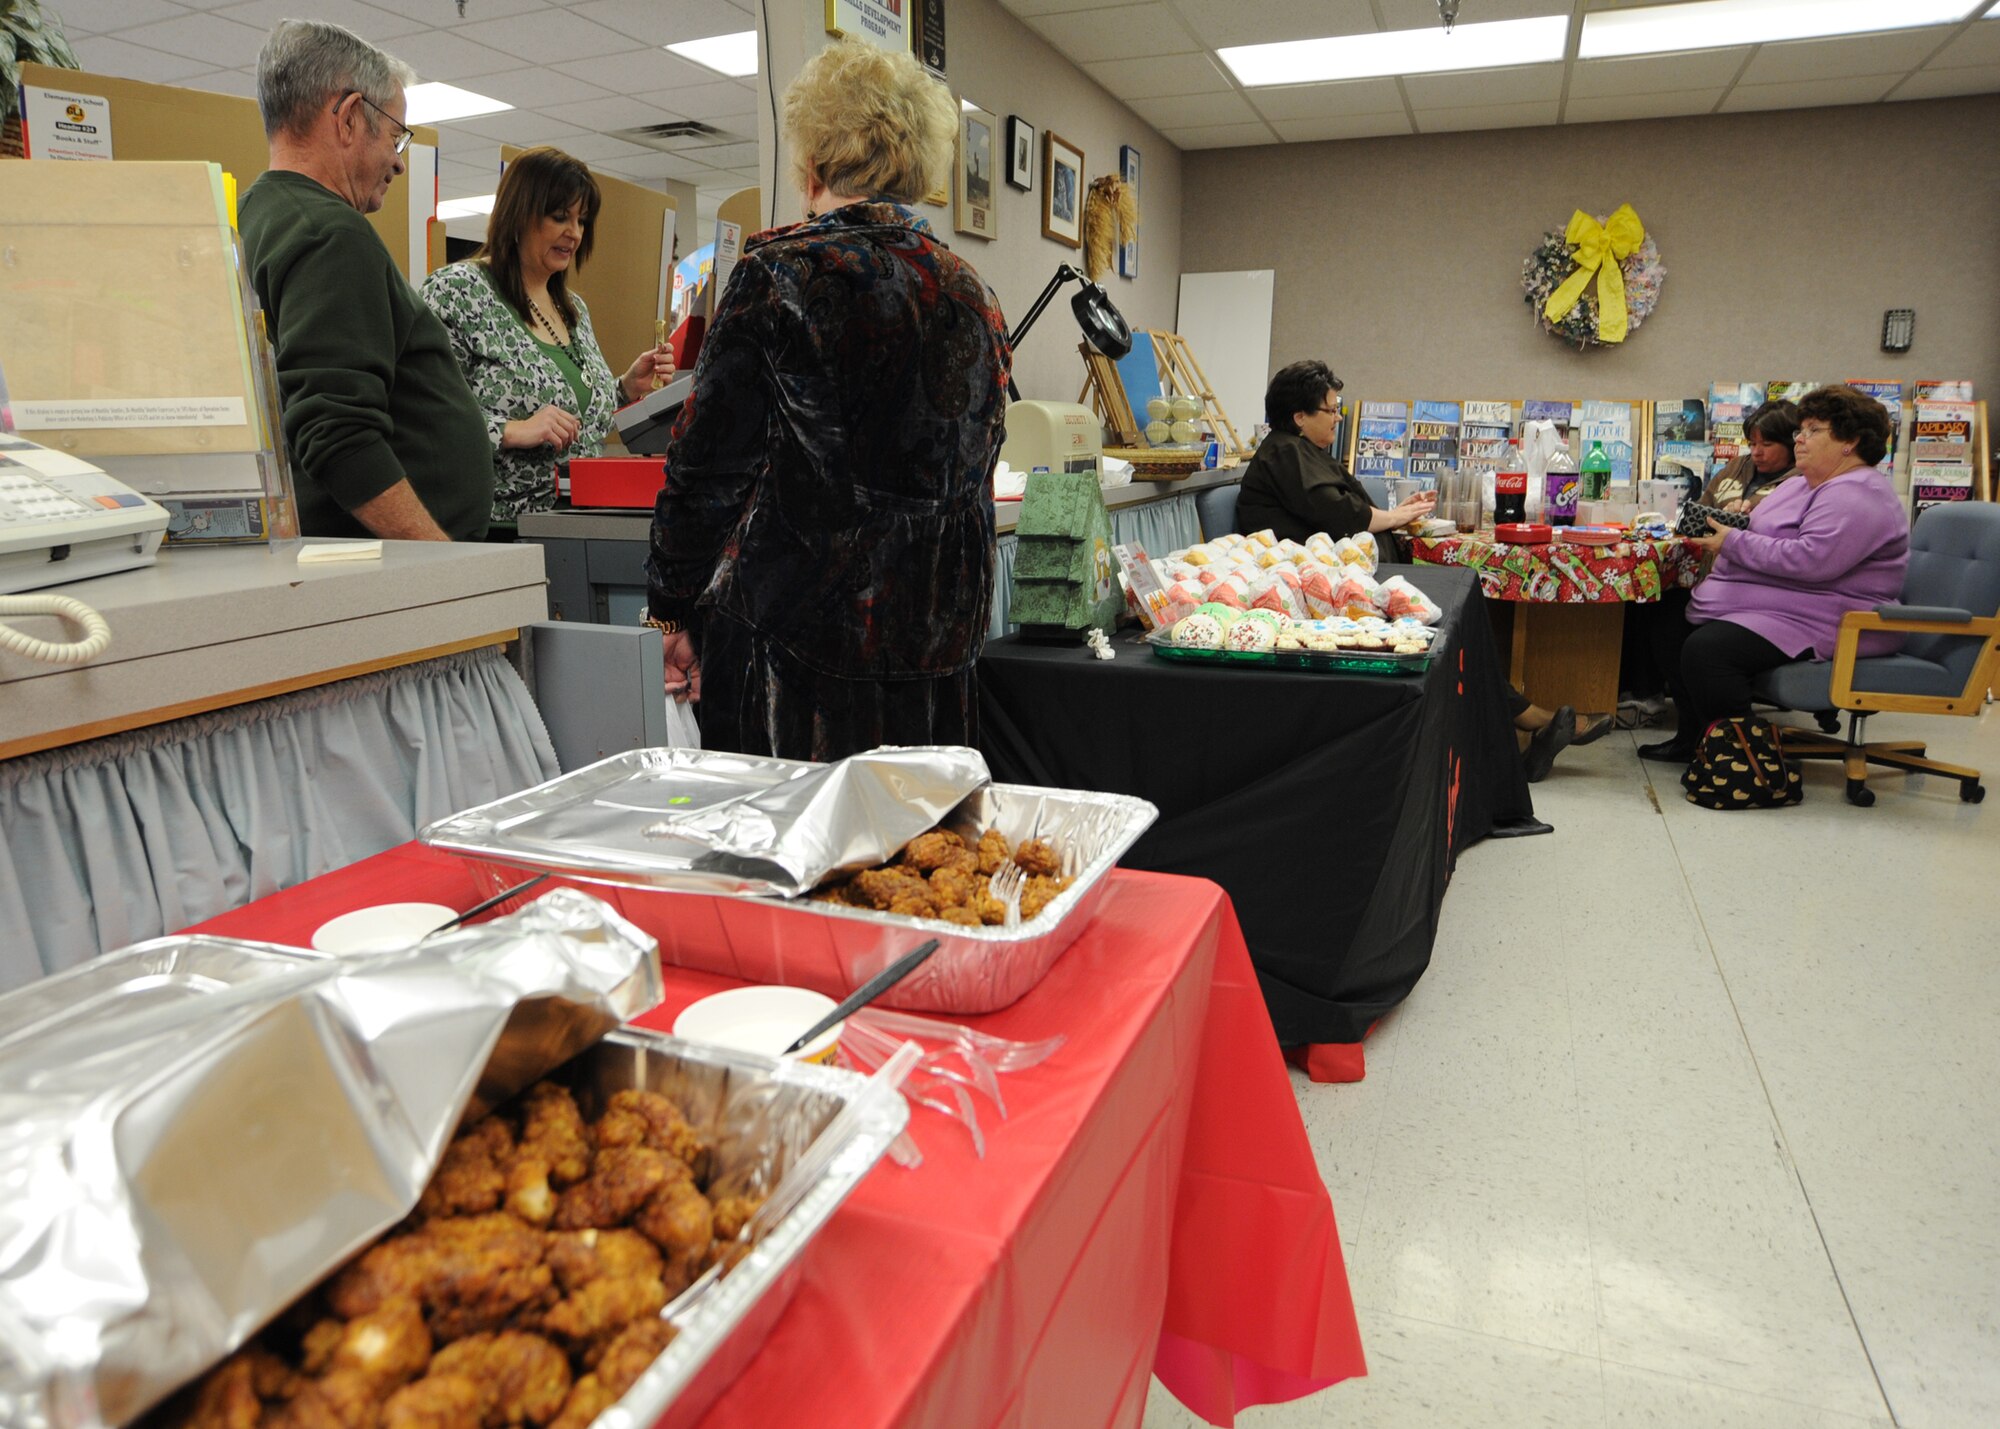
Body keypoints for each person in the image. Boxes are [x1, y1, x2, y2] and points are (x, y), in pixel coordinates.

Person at [643, 40, 1010, 762]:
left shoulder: (778, 276)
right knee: (920, 830)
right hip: (939, 652)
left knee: (792, 831)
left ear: (811, 163)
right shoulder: (975, 293)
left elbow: (706, 472)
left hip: (800, 659)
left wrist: (670, 610)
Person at [239, 20, 494, 541]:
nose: (398, 163)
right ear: (351, 117)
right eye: (396, 137)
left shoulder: (253, 215)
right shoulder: (331, 233)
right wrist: (441, 560)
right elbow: (339, 433)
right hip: (394, 567)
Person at [1639, 385, 1909, 764]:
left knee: (1709, 650)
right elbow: (1767, 533)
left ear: (1850, 442)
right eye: (1801, 429)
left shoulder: (1858, 494)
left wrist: (1733, 541)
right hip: (1784, 606)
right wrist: (1735, 522)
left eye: (1813, 430)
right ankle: (1696, 737)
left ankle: (1745, 761)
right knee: (1668, 616)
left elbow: (1812, 561)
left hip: (1830, 617)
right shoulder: (1800, 484)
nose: (1799, 438)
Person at [420, 147, 675, 522]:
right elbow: (422, 413)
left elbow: (578, 423)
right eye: (559, 217)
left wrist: (624, 388)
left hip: (577, 521)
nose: (574, 233)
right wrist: (510, 431)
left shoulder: (572, 309)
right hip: (496, 526)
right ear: (519, 213)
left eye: (581, 221)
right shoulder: (457, 291)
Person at [1626, 398, 1804, 720]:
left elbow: (1786, 541)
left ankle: (1700, 721)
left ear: (1791, 443)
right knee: (1649, 600)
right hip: (1711, 575)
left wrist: (1745, 519)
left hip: (1754, 591)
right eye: (1752, 443)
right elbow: (1702, 506)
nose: (1757, 452)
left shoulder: (1800, 482)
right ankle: (1657, 699)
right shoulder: (1738, 466)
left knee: (1679, 628)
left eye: (1767, 444)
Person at [1235, 361, 1434, 550]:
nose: (1338, 417)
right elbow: (1339, 513)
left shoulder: (1298, 448)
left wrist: (1394, 515)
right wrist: (1393, 518)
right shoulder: (1284, 453)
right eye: (1331, 410)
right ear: (1300, 417)